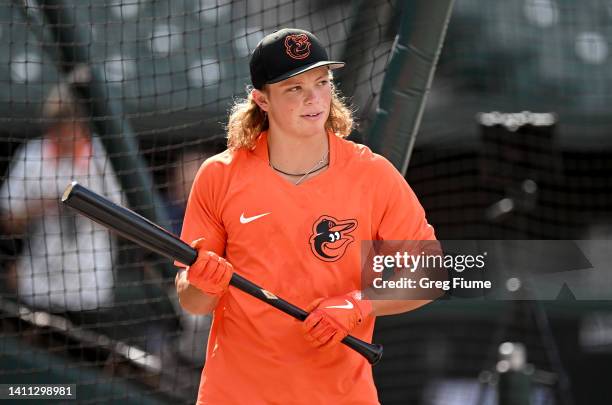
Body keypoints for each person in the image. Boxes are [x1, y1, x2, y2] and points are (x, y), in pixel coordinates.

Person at [175, 28, 440, 404]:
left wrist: (358, 304)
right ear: (261, 100)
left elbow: (428, 272)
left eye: (321, 82)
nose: (314, 98)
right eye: (294, 88)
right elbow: (194, 302)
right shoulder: (220, 175)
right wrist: (203, 282)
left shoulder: (372, 174)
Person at [0, 78, 124, 313]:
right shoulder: (34, 155)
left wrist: (86, 207)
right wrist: (45, 205)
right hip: (38, 286)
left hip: (91, 288)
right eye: (59, 125)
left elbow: (124, 226)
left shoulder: (101, 156)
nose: (65, 134)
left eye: (72, 124)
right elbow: (8, 221)